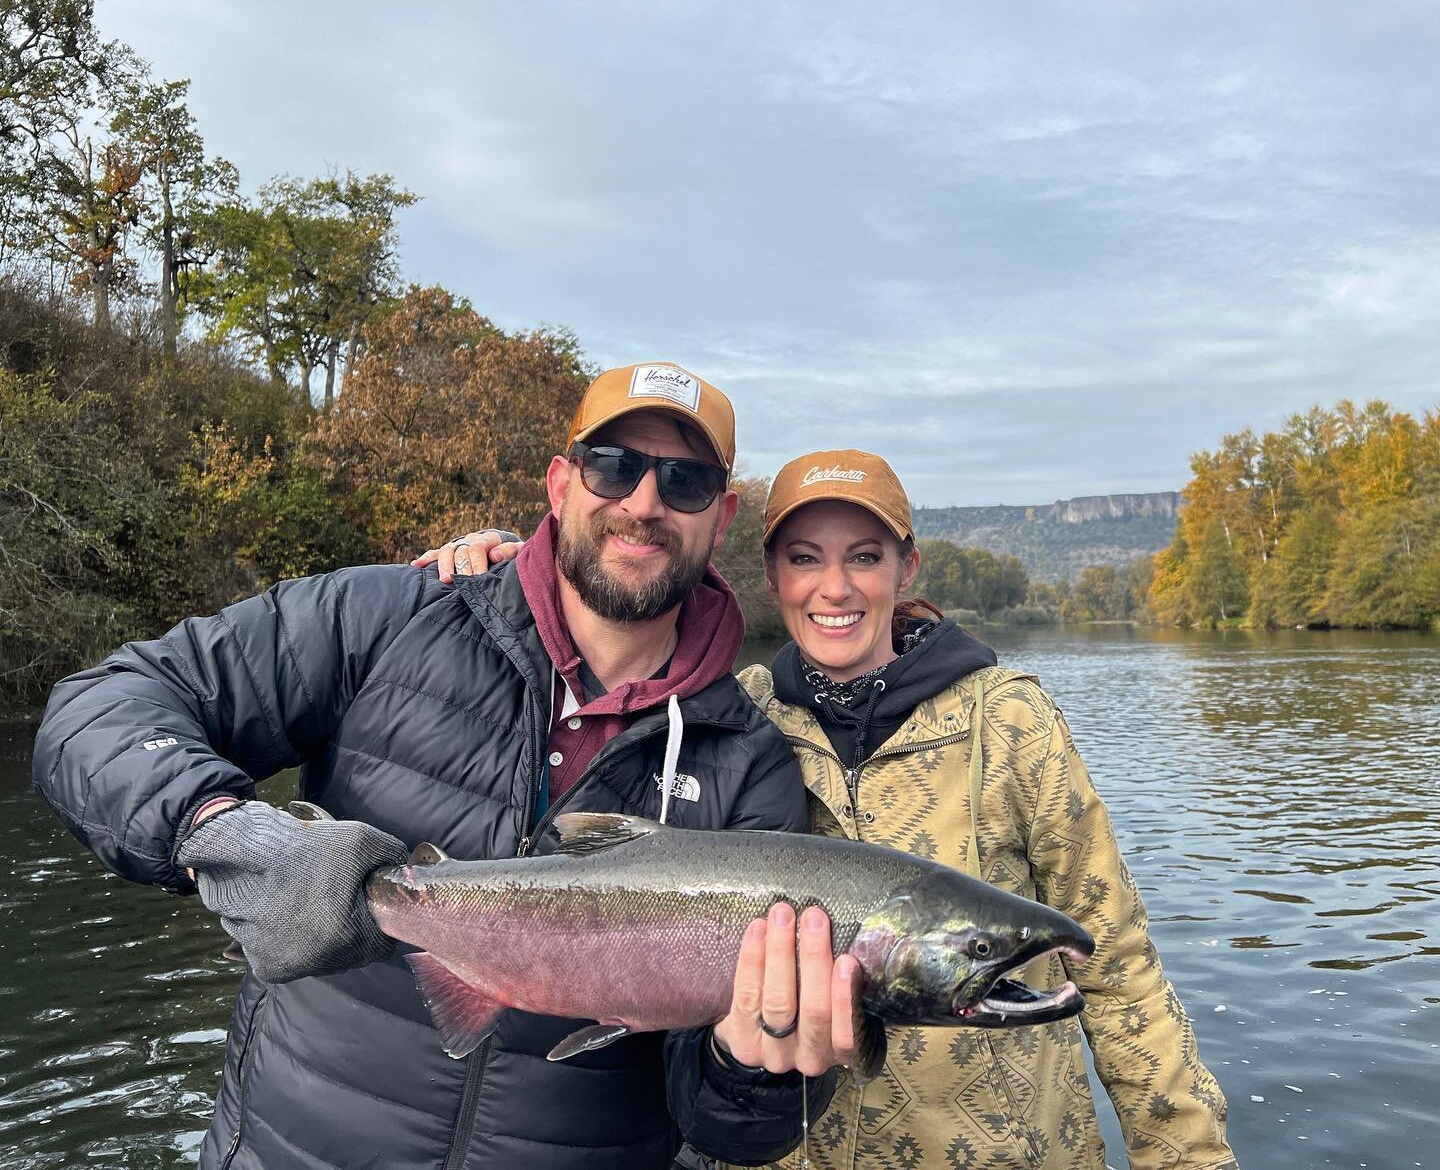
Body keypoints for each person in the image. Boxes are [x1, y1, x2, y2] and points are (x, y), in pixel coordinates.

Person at [31, 362, 862, 1170]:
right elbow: (102, 706)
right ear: (561, 483)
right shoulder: (389, 614)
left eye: (683, 483)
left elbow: (727, 1130)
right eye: (614, 466)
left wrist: (758, 1070)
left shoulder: (751, 764)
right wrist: (218, 826)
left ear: (721, 517)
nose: (643, 503)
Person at [429, 448, 1237, 1170]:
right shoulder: (730, 721)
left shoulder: (1010, 720)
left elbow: (1119, 968)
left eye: (865, 556)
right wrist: (511, 567)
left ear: (905, 567)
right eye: (804, 557)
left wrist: (1191, 1158)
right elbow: (589, 656)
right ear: (773, 572)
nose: (835, 586)